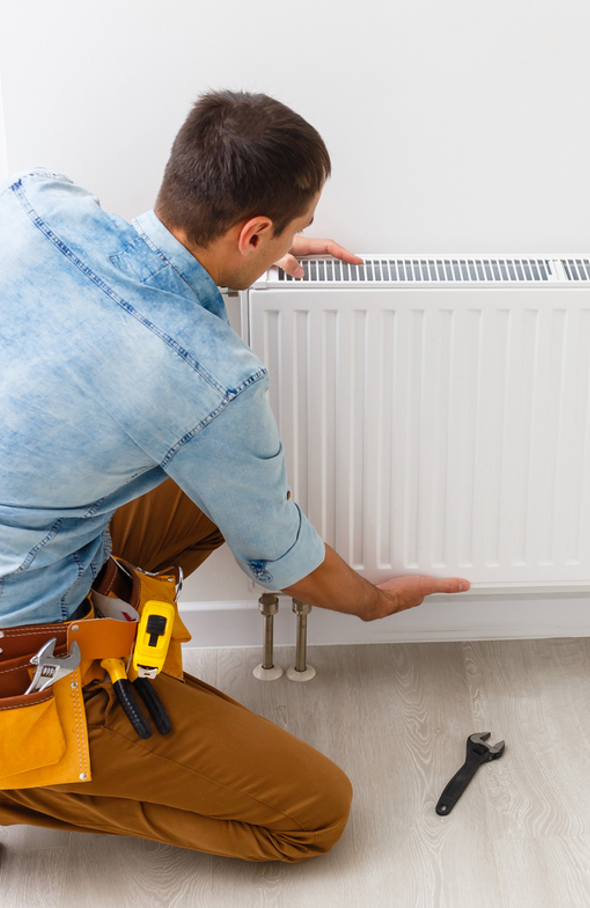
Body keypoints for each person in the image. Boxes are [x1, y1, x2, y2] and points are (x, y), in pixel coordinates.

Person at [0, 90, 470, 861]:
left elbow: (131, 275)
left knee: (202, 495)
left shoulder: (34, 200)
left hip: (40, 557)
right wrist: (376, 602)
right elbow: (287, 559)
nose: (299, 238)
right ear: (254, 231)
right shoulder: (207, 378)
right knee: (313, 816)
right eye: (294, 228)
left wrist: (236, 259)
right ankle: (17, 770)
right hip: (17, 661)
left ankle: (109, 648)